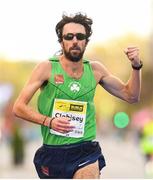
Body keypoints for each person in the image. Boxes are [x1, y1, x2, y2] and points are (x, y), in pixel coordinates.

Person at [13, 12, 142, 179]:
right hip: (54, 151)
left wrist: (136, 66)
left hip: (85, 150)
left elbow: (131, 96)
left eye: (80, 36)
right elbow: (18, 107)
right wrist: (49, 122)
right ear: (61, 41)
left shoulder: (95, 70)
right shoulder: (46, 68)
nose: (75, 41)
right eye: (69, 36)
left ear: (86, 41)